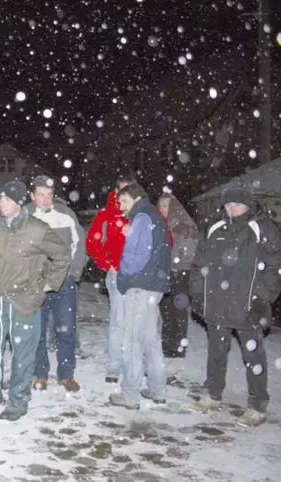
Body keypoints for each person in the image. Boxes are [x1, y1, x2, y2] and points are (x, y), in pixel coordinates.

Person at [0, 180, 71, 421]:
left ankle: (18, 401)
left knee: (23, 352)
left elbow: (62, 255)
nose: (1, 204)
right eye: (0, 199)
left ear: (17, 202)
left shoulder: (37, 229)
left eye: (6, 199)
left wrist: (48, 284)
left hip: (24, 300)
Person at [188, 186, 281, 427]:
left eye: (238, 204)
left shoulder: (262, 229)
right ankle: (213, 394)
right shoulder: (215, 228)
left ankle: (257, 405)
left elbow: (274, 268)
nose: (232, 209)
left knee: (254, 356)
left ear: (248, 205)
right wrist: (198, 294)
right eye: (228, 205)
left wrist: (263, 299)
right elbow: (199, 264)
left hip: (248, 307)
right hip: (218, 304)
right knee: (216, 352)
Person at [108, 183, 172, 410]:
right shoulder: (154, 216)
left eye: (123, 202)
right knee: (150, 340)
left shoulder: (142, 217)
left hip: (140, 287)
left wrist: (124, 279)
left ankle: (130, 395)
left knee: (131, 341)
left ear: (135, 198)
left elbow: (135, 256)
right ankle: (158, 390)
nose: (121, 207)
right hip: (153, 287)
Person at [26, 175, 86, 393]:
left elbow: (80, 245)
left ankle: (66, 374)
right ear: (32, 196)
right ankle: (40, 373)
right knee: (37, 330)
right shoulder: (25, 216)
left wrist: (73, 274)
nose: (45, 199)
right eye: (40, 195)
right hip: (36, 283)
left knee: (66, 329)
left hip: (64, 282)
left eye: (49, 195)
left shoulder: (66, 215)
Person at [85, 175, 135, 383]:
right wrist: (107, 264)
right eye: (122, 190)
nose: (125, 196)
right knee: (117, 320)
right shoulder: (106, 214)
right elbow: (92, 242)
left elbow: (162, 239)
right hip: (115, 275)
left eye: (129, 191)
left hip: (139, 276)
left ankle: (134, 364)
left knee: (137, 321)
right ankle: (114, 365)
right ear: (115, 191)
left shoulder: (142, 213)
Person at [157, 193, 200, 358]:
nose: (163, 209)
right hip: (165, 272)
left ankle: (179, 345)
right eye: (161, 205)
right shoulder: (161, 224)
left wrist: (176, 263)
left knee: (179, 310)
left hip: (181, 273)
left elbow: (190, 251)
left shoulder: (184, 226)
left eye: (167, 205)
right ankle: (167, 343)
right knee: (165, 308)